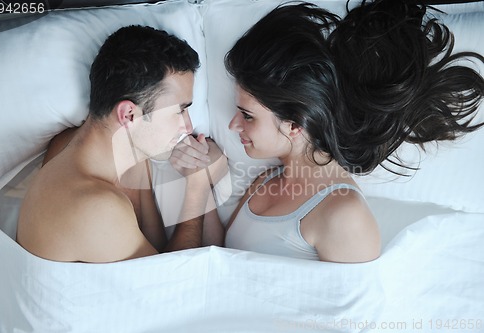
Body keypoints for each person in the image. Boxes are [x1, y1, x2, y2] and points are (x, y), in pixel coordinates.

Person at [173, 1, 483, 263]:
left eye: (247, 116)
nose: (233, 125)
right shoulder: (265, 181)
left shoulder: (343, 214)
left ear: (295, 123)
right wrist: (202, 181)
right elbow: (219, 258)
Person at [17, 25, 226, 263]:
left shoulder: (119, 155)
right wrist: (197, 188)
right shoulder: (96, 208)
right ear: (128, 115)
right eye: (179, 111)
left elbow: (154, 249)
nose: (188, 128)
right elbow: (172, 284)